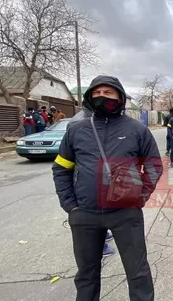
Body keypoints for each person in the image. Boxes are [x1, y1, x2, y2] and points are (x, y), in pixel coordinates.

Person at [52, 75, 163, 301]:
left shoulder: (137, 130)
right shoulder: (76, 130)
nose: (102, 97)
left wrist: (140, 197)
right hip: (85, 214)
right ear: (89, 98)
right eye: (97, 93)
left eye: (108, 93)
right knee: (86, 275)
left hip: (125, 214)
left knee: (138, 273)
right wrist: (70, 205)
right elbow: (61, 168)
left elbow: (153, 166)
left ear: (120, 97)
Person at [65, 106, 116, 258]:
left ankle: (103, 232)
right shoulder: (80, 122)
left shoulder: (97, 116)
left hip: (99, 173)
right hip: (85, 177)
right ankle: (99, 246)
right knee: (90, 210)